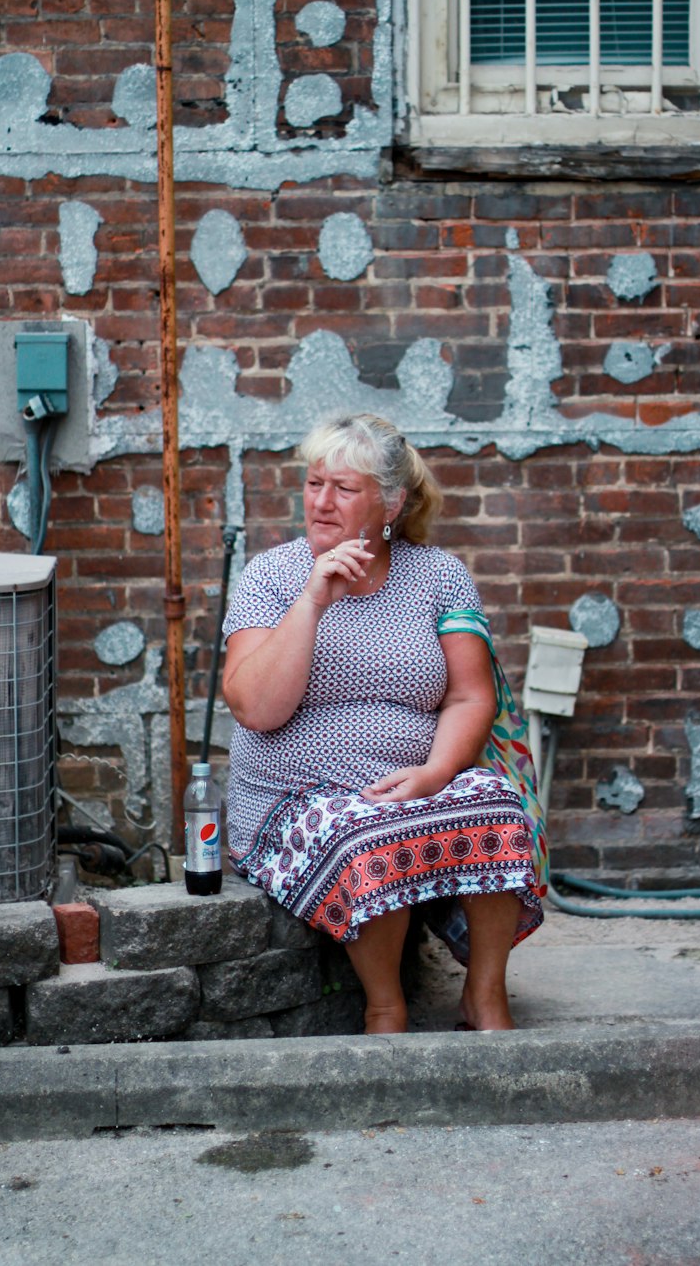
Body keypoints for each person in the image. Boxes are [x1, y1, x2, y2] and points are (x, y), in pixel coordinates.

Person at [221, 412, 545, 1034]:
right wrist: (313, 600)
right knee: (367, 831)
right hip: (293, 798)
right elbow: (257, 709)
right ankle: (385, 1007)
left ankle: (484, 996)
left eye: (343, 489)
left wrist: (435, 772)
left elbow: (470, 698)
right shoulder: (272, 576)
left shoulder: (439, 576)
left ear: (391, 502)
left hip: (416, 780)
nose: (320, 502)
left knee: (497, 806)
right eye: (314, 484)